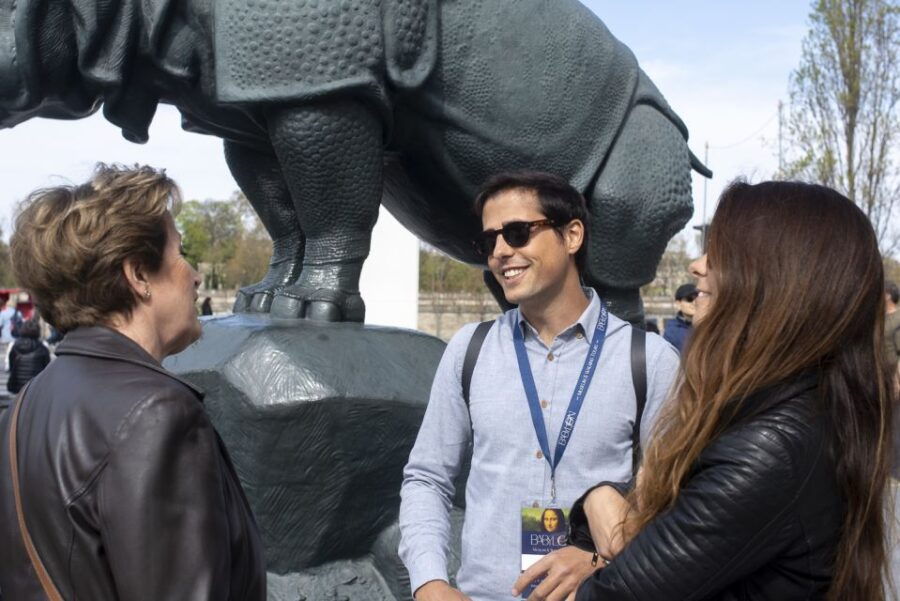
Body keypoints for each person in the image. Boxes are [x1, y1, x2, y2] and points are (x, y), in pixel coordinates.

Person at [532, 180, 893, 600]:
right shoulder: (784, 413)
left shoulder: (767, 450)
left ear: (778, 281)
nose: (697, 266)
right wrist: (599, 501)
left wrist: (598, 508)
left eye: (721, 253)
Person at [399, 171, 680, 601]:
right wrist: (430, 583)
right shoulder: (469, 351)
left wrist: (597, 562)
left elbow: (675, 505)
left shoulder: (649, 361)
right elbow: (427, 478)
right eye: (488, 241)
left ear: (571, 236)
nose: (500, 253)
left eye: (516, 233)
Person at [0, 164, 266, 600]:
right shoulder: (158, 414)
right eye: (180, 254)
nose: (195, 276)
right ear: (139, 275)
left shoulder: (25, 405)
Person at [6, 319, 50, 394]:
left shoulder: (14, 346)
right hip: (36, 386)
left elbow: (11, 366)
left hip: (17, 386)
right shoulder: (43, 348)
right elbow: (47, 368)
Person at [662, 283, 696, 352]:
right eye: (689, 299)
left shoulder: (710, 324)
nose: (694, 303)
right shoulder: (672, 331)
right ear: (678, 303)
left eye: (697, 299)